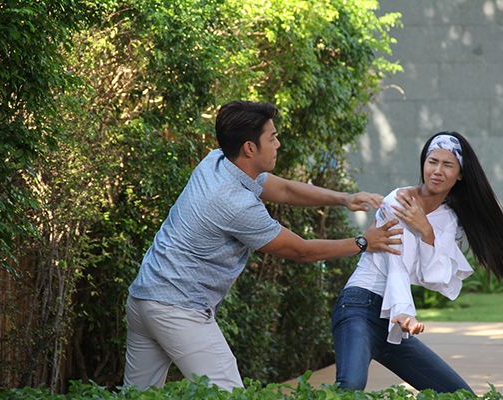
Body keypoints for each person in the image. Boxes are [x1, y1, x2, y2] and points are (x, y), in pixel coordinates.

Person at [123, 100, 406, 392]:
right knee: (228, 395)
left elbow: (283, 189)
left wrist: (343, 199)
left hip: (144, 298)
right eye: (272, 138)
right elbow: (301, 251)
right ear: (250, 148)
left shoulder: (216, 162)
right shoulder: (234, 202)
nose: (278, 144)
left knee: (137, 395)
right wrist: (363, 242)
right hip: (178, 308)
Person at [332, 132, 503, 393]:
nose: (437, 171)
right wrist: (404, 311)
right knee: (350, 386)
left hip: (392, 319)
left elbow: (436, 277)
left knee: (459, 395)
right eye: (432, 161)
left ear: (460, 174)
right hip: (360, 306)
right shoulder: (398, 201)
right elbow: (395, 261)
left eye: (447, 165)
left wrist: (427, 231)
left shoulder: (449, 219)